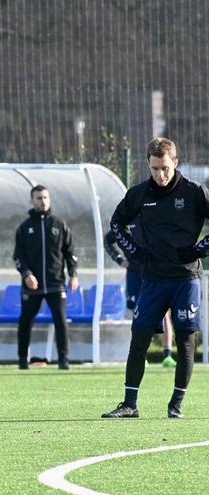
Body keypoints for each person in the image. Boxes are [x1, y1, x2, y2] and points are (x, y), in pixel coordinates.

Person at [102, 137, 209, 419]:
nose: (160, 175)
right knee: (138, 339)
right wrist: (134, 252)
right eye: (154, 169)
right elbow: (116, 223)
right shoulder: (139, 194)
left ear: (175, 162)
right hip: (153, 280)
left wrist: (199, 249)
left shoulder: (195, 192)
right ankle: (129, 404)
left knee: (186, 340)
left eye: (164, 168)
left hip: (186, 279)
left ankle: (176, 405)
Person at [12, 185, 79, 370]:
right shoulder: (24, 228)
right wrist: (26, 274)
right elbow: (18, 257)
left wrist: (73, 275)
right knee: (25, 321)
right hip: (32, 285)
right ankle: (22, 360)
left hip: (56, 283)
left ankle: (64, 361)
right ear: (32, 201)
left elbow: (70, 253)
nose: (43, 201)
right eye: (39, 198)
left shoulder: (60, 225)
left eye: (45, 198)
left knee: (61, 321)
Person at [104, 227, 176, 367]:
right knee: (138, 314)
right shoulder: (126, 219)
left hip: (156, 271)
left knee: (164, 312)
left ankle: (167, 355)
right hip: (135, 275)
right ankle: (141, 355)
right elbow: (108, 241)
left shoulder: (155, 213)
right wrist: (119, 259)